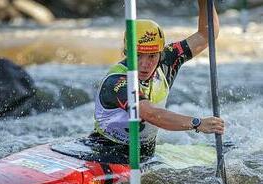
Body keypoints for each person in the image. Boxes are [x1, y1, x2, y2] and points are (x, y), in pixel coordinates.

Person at [90, 0, 225, 161]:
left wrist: (204, 3)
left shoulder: (167, 60)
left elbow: (206, 35)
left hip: (146, 156)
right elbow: (152, 115)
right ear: (126, 51)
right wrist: (197, 123)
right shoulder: (117, 82)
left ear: (161, 54)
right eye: (137, 55)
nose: (144, 64)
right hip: (105, 154)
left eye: (152, 56)